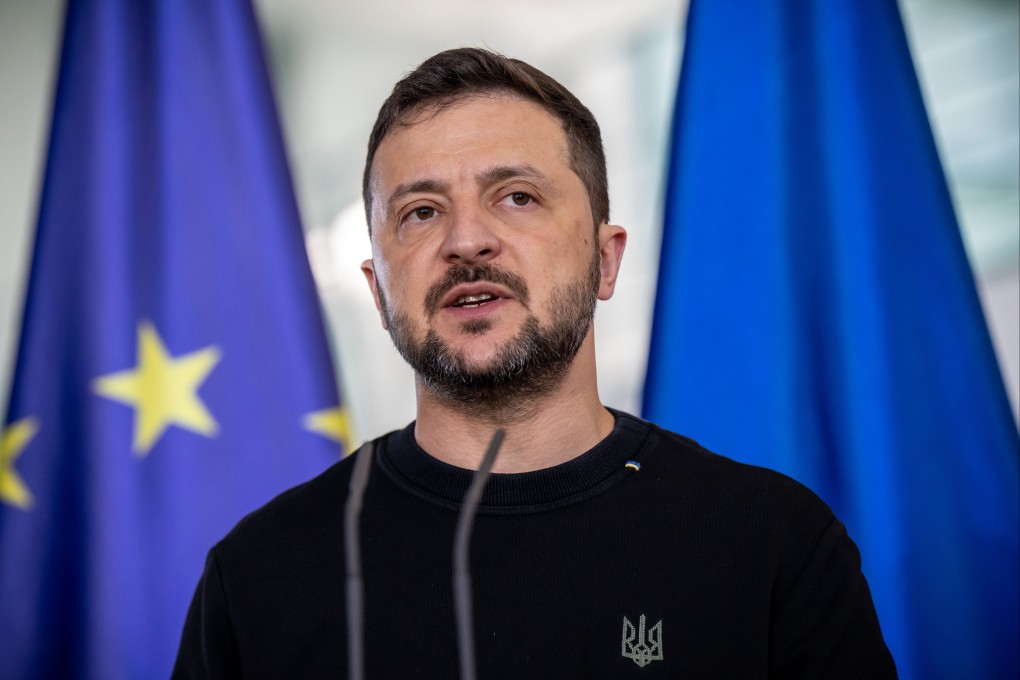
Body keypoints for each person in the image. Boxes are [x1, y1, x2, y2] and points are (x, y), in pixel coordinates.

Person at [173, 47, 896, 678]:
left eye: (516, 197)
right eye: (420, 212)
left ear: (605, 260)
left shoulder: (774, 547)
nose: (466, 241)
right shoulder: (258, 579)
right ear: (378, 288)